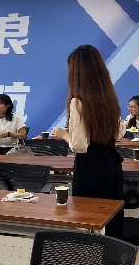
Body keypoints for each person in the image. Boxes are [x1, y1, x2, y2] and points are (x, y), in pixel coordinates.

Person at [52, 44, 126, 239]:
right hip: (111, 164)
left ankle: (91, 257)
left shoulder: (77, 102)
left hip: (90, 168)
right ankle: (114, 254)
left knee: (88, 221)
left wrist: (64, 135)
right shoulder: (109, 98)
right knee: (110, 218)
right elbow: (119, 133)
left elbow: (79, 146)